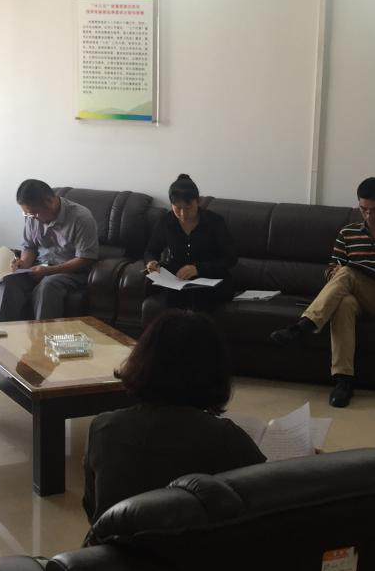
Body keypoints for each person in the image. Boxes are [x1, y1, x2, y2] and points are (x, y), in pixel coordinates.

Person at [82, 310, 264, 524]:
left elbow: (93, 509)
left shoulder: (102, 427)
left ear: (142, 360)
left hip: (112, 544)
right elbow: (265, 503)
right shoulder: (226, 437)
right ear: (214, 369)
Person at [269, 177, 375, 408]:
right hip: (352, 296)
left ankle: (304, 326)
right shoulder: (348, 233)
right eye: (363, 209)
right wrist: (333, 273)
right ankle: (343, 381)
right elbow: (331, 270)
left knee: (347, 273)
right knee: (343, 302)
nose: (368, 215)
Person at [0, 179, 98, 322]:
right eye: (27, 214)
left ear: (49, 202)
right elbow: (29, 246)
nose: (31, 218)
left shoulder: (81, 218)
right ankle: (4, 333)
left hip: (71, 272)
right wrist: (23, 264)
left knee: (48, 285)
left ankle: (42, 335)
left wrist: (50, 271)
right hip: (39, 268)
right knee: (8, 281)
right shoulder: (32, 216)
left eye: (33, 214)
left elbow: (85, 258)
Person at [143, 174, 238, 311]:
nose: (182, 214)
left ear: (197, 202)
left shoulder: (215, 222)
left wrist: (198, 268)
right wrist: (151, 262)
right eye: (177, 208)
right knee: (169, 296)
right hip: (178, 280)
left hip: (211, 279)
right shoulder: (166, 221)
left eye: (187, 208)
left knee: (197, 299)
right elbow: (151, 250)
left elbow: (231, 258)